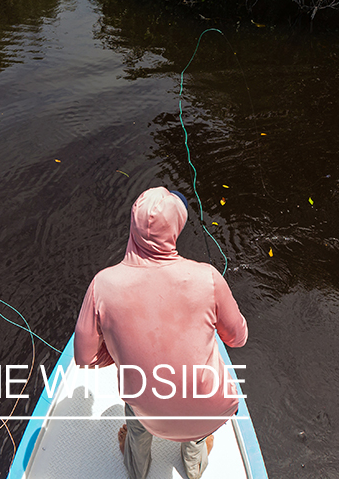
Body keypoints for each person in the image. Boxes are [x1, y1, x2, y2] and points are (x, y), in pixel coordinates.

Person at [74, 186, 249, 479]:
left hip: (148, 414)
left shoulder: (102, 285)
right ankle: (194, 467)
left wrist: (118, 352)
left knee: (136, 417)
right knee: (201, 393)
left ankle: (137, 469)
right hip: (209, 410)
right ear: (177, 228)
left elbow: (84, 358)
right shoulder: (208, 277)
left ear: (132, 226)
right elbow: (238, 339)